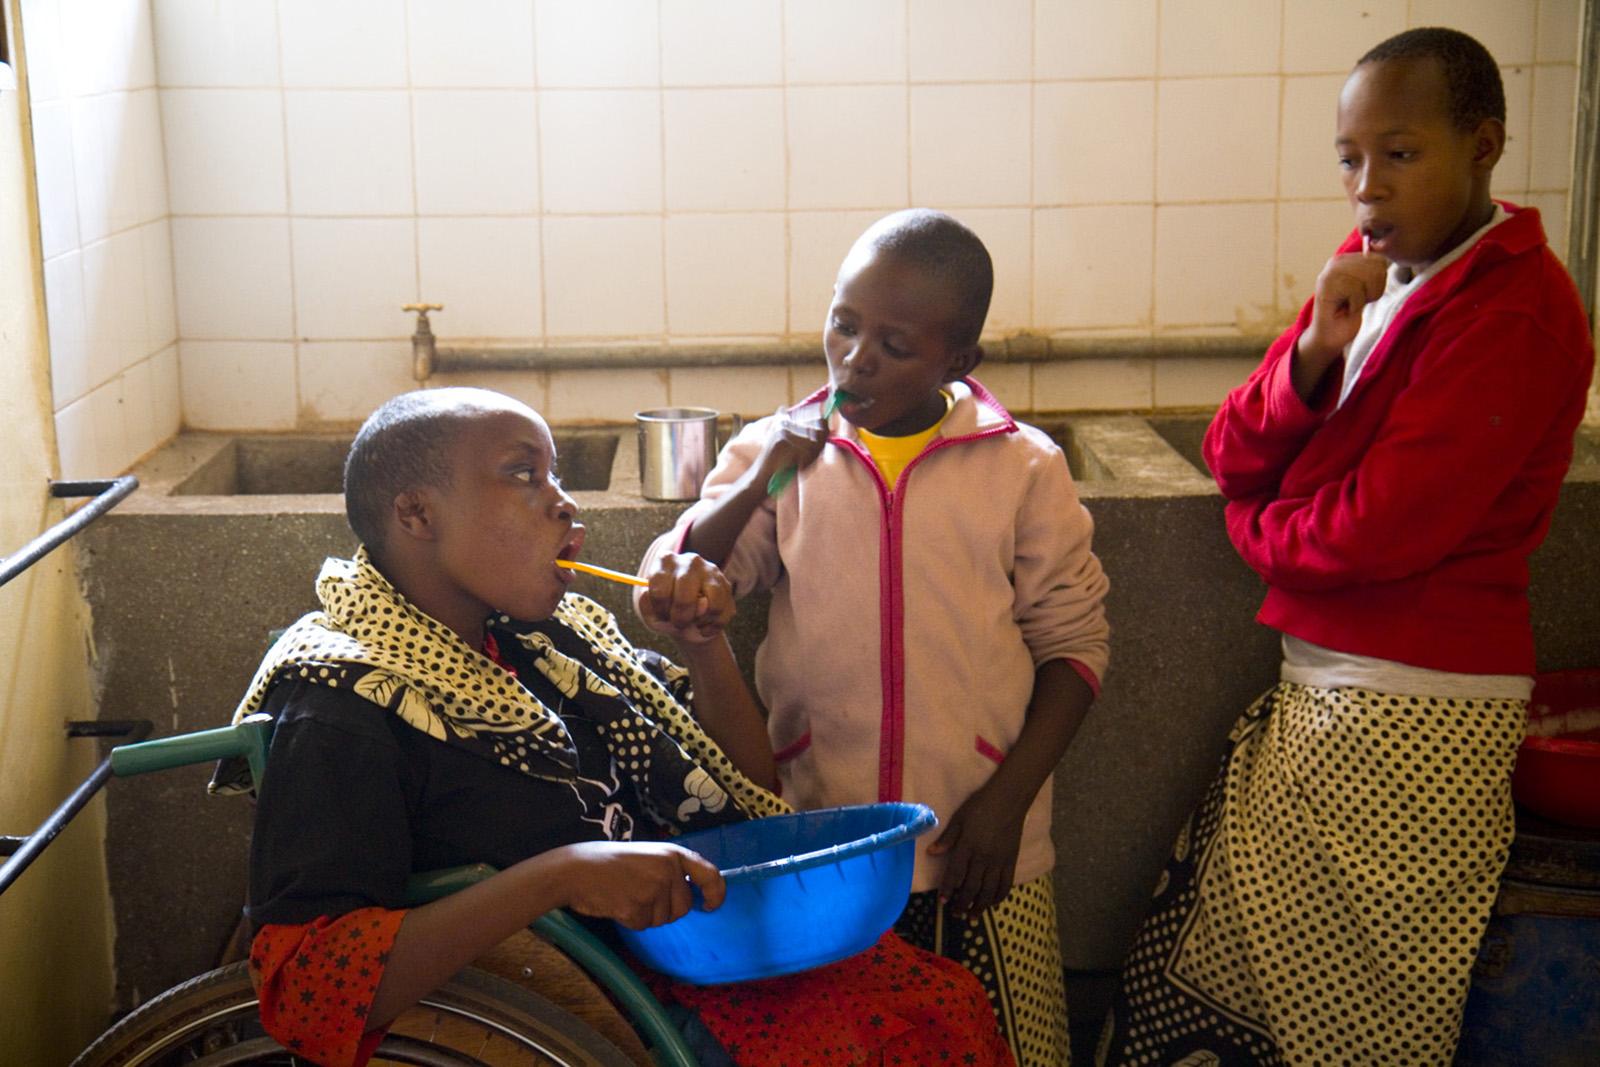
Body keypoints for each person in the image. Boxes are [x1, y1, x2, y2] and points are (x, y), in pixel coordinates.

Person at [215, 387, 1015, 1067]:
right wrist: (562, 874)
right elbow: (308, 983)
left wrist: (703, 648)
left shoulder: (547, 642)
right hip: (596, 1011)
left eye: (556, 474)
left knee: (941, 997)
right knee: (905, 1034)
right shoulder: (345, 702)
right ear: (417, 514)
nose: (563, 501)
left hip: (679, 963)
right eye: (524, 476)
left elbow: (748, 789)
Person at [1099, 27, 1595, 1066]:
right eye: (1348, 156)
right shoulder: (1373, 277)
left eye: (1400, 154)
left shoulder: (1516, 309)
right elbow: (1233, 444)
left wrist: (1252, 531)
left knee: (1362, 1021)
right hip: (1337, 690)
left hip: (1416, 707)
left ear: (1483, 144)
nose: (1366, 186)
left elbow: (1376, 529)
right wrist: (1320, 344)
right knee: (1249, 984)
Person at [638, 208, 1112, 1066]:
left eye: (893, 345)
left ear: (957, 361)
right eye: (843, 324)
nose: (855, 358)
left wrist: (1005, 808)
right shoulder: (779, 456)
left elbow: (1076, 650)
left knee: (1007, 1044)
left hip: (977, 846)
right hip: (822, 850)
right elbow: (687, 573)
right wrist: (761, 478)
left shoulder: (1022, 468)